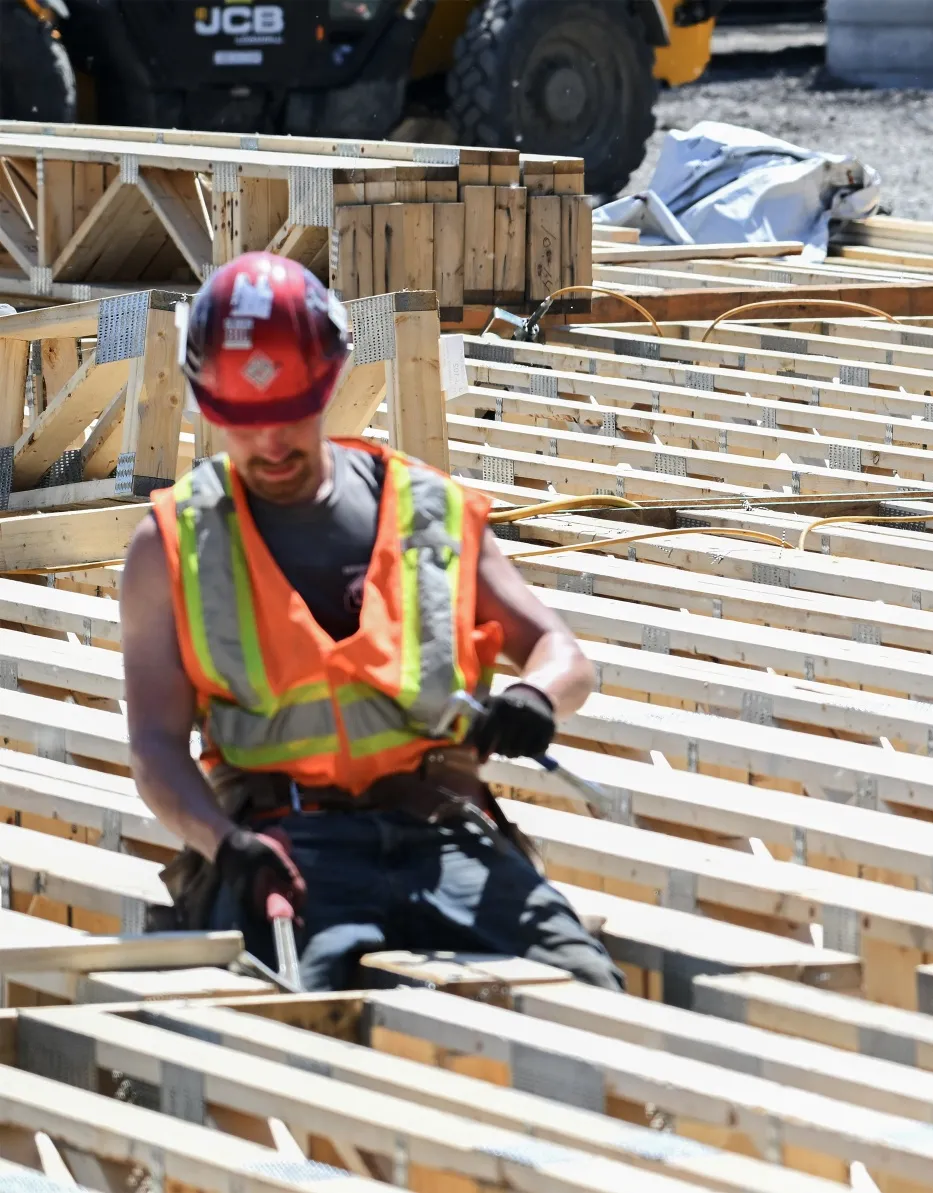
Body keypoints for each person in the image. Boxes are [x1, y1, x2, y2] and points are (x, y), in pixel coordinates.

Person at [120, 251, 622, 992]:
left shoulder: (429, 511)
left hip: (444, 835)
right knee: (322, 1033)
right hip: (289, 848)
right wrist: (226, 848)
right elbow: (155, 747)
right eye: (244, 422)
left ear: (330, 382)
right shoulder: (172, 546)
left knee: (587, 992)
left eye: (289, 415)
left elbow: (558, 650)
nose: (269, 444)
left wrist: (534, 697)